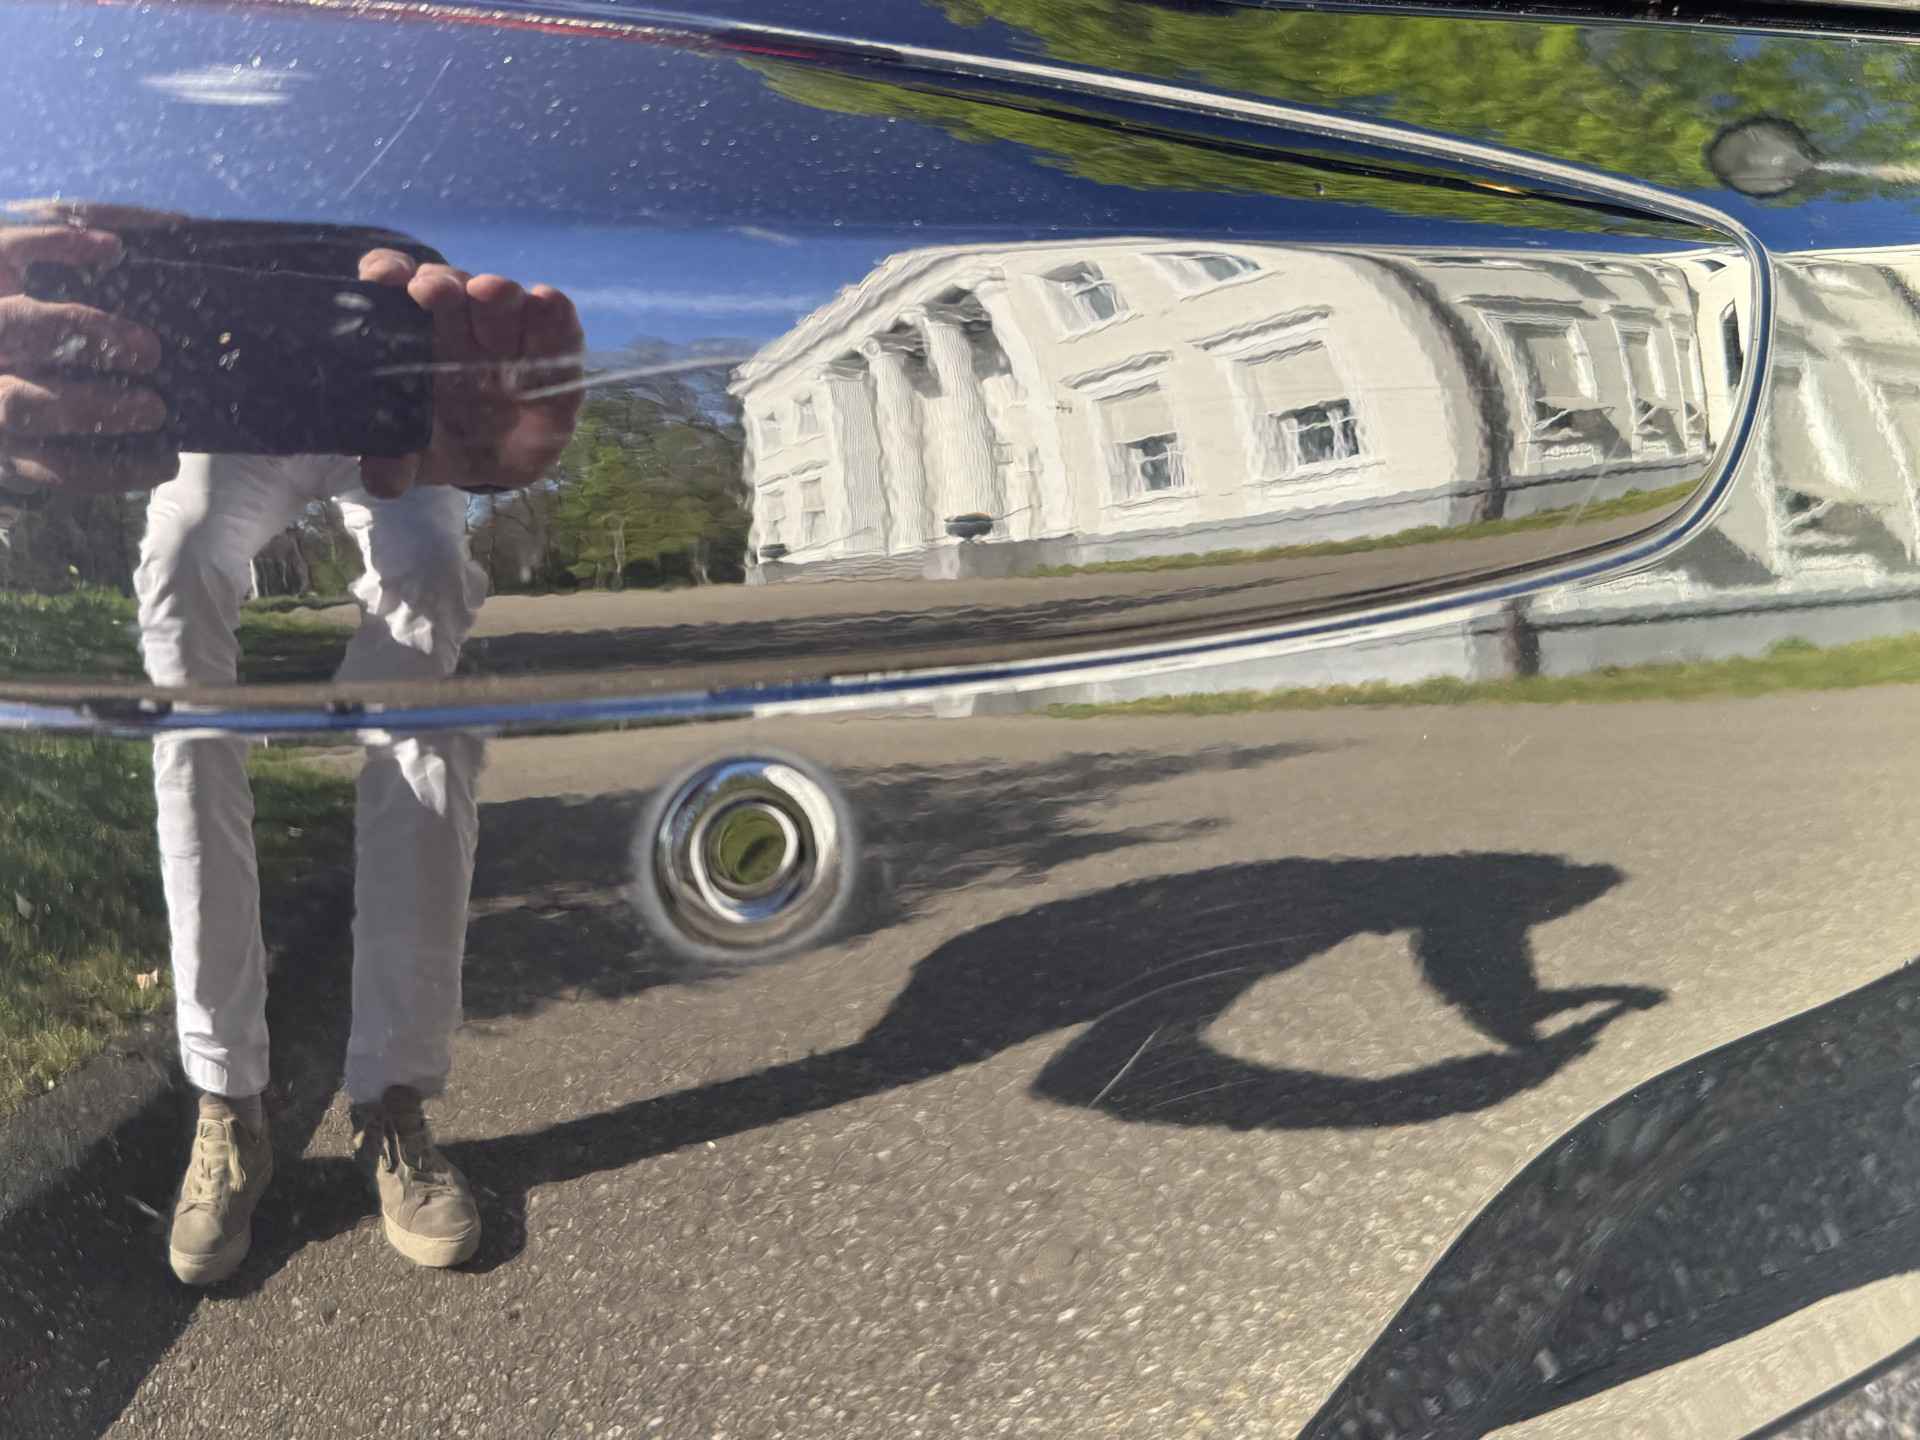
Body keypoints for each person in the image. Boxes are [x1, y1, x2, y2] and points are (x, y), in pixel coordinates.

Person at [0, 208, 583, 1284]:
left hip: (380, 418)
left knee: (426, 630)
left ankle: (393, 1098)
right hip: (224, 423)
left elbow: (468, 394)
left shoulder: (384, 236)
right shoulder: (141, 226)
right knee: (183, 607)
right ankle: (228, 1101)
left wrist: (488, 437)